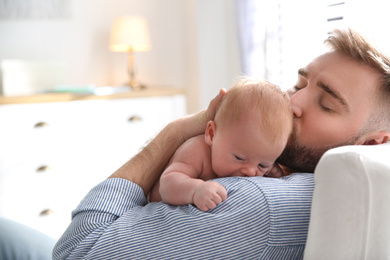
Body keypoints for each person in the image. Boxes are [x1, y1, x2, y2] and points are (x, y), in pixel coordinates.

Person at [53, 28, 390, 259]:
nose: (292, 104)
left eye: (326, 104)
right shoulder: (292, 176)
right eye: (298, 84)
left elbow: (74, 252)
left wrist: (176, 131)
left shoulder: (257, 200)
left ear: (374, 142)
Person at [149, 79, 293, 211]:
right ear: (211, 134)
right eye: (239, 157)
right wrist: (195, 190)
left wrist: (274, 174)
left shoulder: (253, 158)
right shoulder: (196, 151)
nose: (250, 172)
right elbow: (167, 184)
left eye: (262, 165)